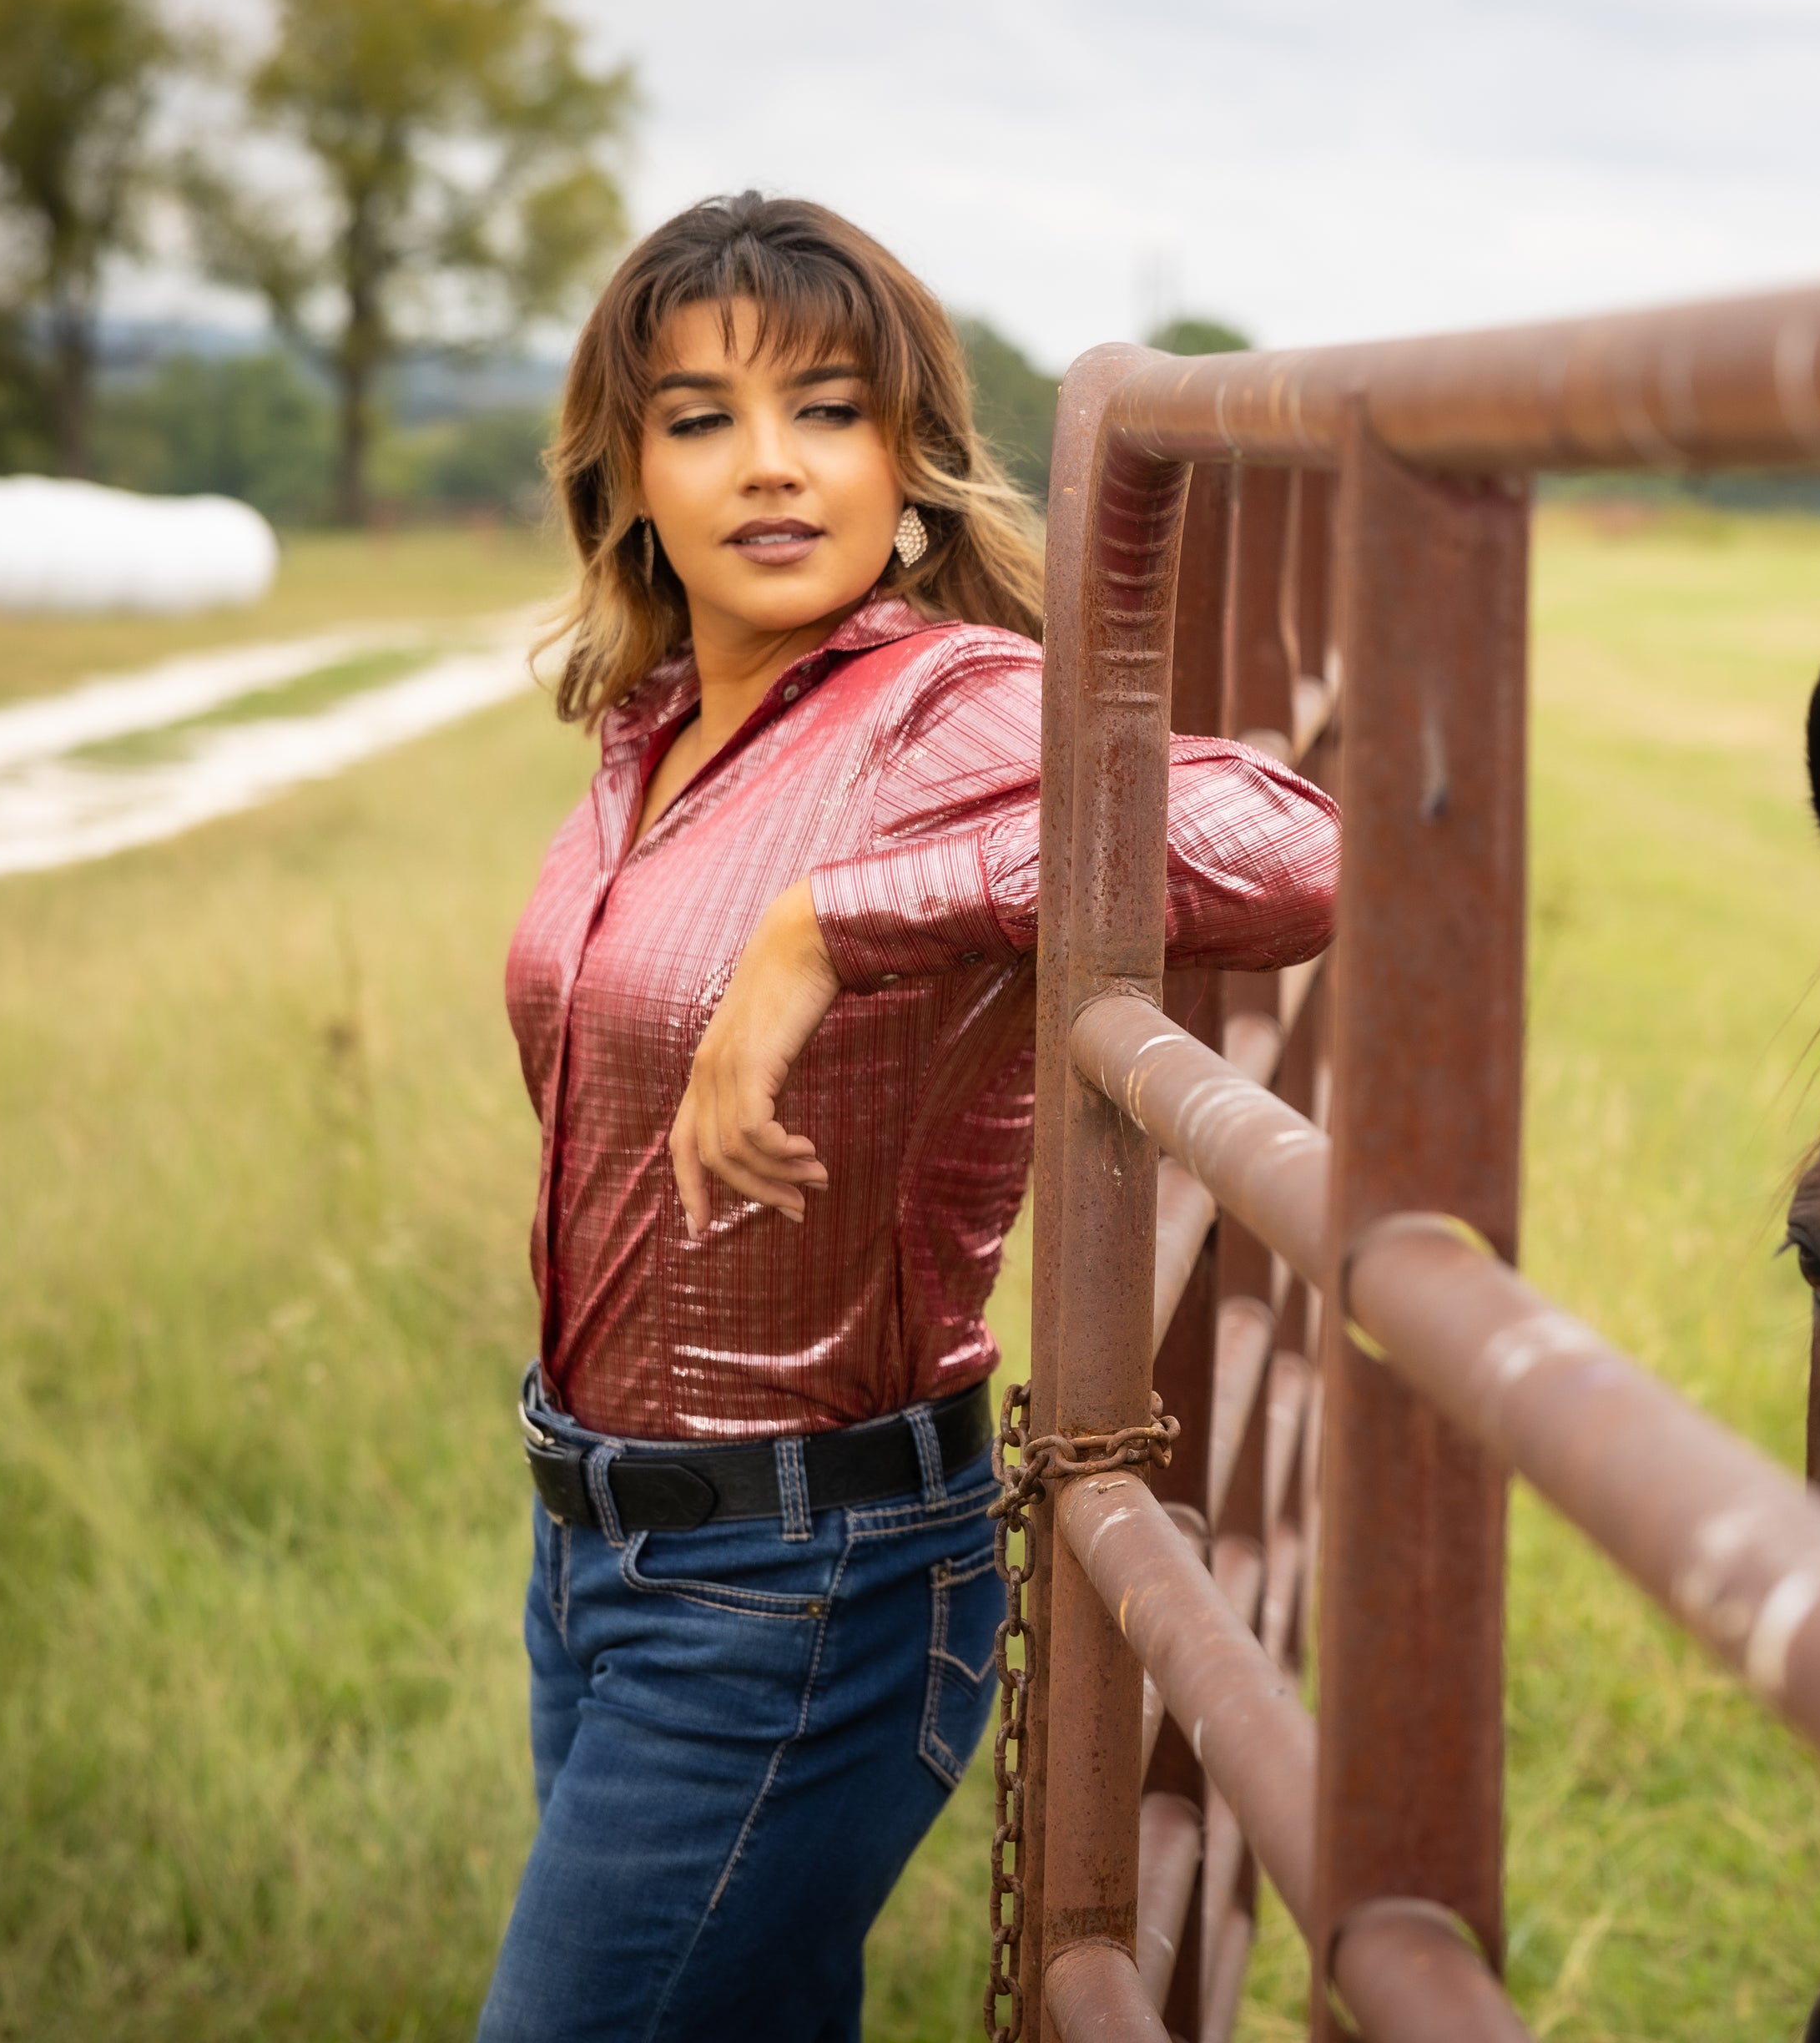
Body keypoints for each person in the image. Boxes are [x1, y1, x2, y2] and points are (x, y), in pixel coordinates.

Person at [481, 192, 1336, 2042]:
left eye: (831, 407)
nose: (770, 466)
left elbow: (1302, 848)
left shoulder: (943, 702)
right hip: (594, 1542)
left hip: (803, 1576)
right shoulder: (651, 728)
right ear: (625, 473)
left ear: (914, 461)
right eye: (702, 416)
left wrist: (841, 919)